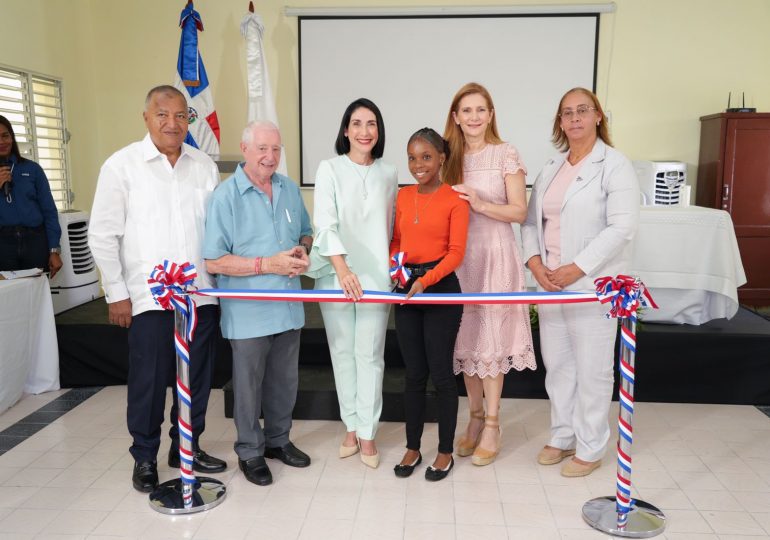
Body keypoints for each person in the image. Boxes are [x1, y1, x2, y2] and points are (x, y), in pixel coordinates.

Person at [88, 85, 226, 493]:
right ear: (146, 117)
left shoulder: (204, 166)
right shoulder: (122, 166)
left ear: (189, 120)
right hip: (149, 299)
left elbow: (215, 232)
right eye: (162, 114)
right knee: (149, 380)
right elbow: (102, 234)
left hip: (199, 295)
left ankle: (186, 444)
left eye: (181, 115)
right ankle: (145, 457)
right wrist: (116, 292)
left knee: (197, 378)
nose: (172, 123)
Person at [521, 87, 639, 477]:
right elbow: (531, 223)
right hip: (550, 283)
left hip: (593, 284)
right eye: (566, 113)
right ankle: (562, 434)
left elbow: (622, 227)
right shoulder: (552, 167)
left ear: (598, 116)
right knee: (558, 366)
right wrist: (536, 265)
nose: (574, 119)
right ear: (559, 122)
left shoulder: (615, 165)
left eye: (582, 111)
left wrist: (578, 267)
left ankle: (590, 446)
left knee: (592, 369)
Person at [203, 121, 313, 486]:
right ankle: (250, 451)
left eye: (277, 149)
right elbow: (214, 261)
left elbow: (305, 231)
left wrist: (303, 249)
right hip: (248, 314)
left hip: (289, 307)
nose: (271, 157)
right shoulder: (225, 197)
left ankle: (278, 441)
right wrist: (268, 264)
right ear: (245, 149)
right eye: (263, 149)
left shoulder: (288, 188)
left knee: (285, 384)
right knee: (248, 389)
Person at [443, 82, 536, 466]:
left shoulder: (505, 153)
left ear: (491, 114)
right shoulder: (449, 157)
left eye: (481, 110)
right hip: (461, 259)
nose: (474, 117)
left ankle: (494, 424)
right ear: (455, 117)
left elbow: (520, 212)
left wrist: (481, 204)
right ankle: (475, 419)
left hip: (496, 255)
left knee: (492, 344)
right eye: (467, 111)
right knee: (467, 342)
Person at [307, 98, 398, 468]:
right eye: (357, 123)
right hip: (335, 277)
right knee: (342, 354)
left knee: (370, 356)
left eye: (371, 124)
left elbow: (391, 228)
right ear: (346, 130)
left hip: (376, 280)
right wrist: (343, 271)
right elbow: (324, 223)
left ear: (379, 132)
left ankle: (367, 432)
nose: (364, 131)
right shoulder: (329, 168)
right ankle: (349, 426)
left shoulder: (390, 173)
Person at [390, 128, 469, 481]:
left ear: (441, 158)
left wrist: (425, 281)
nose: (418, 165)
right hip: (407, 290)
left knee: (441, 375)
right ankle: (412, 447)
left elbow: (456, 254)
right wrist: (398, 272)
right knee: (413, 375)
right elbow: (396, 241)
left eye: (425, 157)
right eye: (411, 157)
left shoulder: (455, 198)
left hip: (440, 291)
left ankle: (445, 451)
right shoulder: (404, 197)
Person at [0, 115, 62, 277]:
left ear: (12, 138)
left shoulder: (33, 169)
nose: (1, 142)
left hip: (35, 241)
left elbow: (49, 212)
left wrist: (54, 249)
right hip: (3, 245)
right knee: (8, 298)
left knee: (36, 296)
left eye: (5, 136)